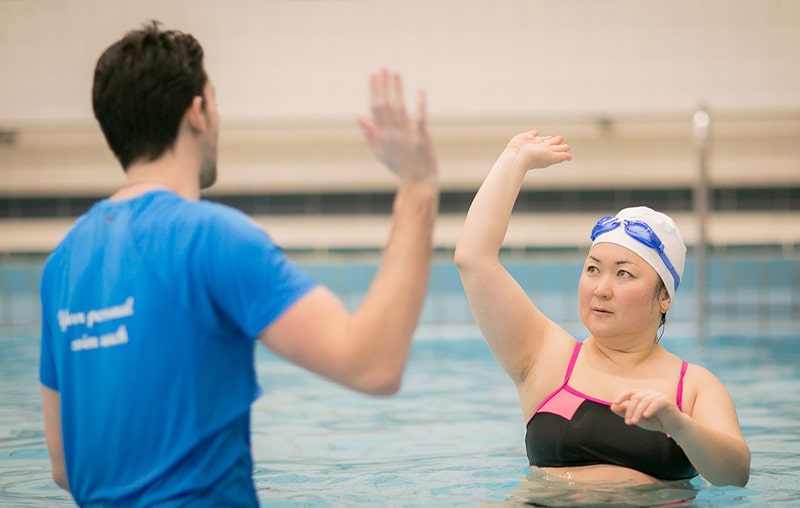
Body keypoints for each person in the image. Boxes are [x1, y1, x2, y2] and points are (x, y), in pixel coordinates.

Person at [39, 21, 439, 506]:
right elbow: (373, 365)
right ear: (198, 113)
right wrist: (418, 189)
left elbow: (63, 466)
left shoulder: (62, 263)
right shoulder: (212, 238)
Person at [454, 131, 750, 488]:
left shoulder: (695, 387)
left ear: (664, 297)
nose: (601, 289)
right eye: (593, 269)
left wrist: (678, 425)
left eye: (624, 274)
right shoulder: (544, 356)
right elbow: (474, 260)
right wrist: (515, 160)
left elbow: (735, 476)